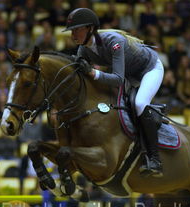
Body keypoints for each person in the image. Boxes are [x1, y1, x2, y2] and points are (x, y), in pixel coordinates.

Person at [63, 8, 164, 177]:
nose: (73, 34)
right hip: (130, 75)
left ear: (89, 28)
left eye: (76, 29)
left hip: (149, 69)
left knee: (139, 103)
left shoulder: (114, 41)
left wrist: (93, 73)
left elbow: (117, 78)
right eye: (71, 30)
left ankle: (155, 159)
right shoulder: (84, 49)